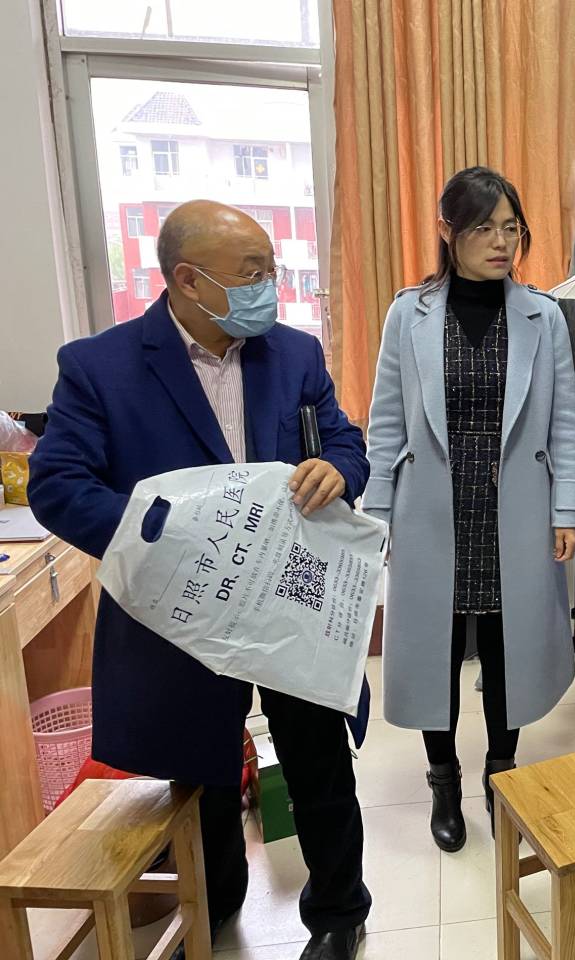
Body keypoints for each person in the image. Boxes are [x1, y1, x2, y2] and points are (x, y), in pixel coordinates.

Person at [28, 201, 371, 960]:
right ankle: (213, 903)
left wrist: (337, 470)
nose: (269, 286)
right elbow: (58, 486)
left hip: (287, 599)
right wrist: (168, 537)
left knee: (317, 761)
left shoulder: (294, 353)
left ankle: (340, 911)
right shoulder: (101, 367)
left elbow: (344, 440)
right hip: (181, 612)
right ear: (187, 280)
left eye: (270, 270)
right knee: (203, 769)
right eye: (252, 274)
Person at [363, 167, 575, 853]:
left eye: (511, 228)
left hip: (515, 511)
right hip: (431, 513)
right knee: (435, 650)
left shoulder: (543, 315)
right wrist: (378, 514)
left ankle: (500, 770)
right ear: (447, 231)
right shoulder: (409, 314)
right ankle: (443, 780)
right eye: (484, 227)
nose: (501, 242)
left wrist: (567, 509)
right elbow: (386, 423)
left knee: (506, 646)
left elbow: (565, 422)